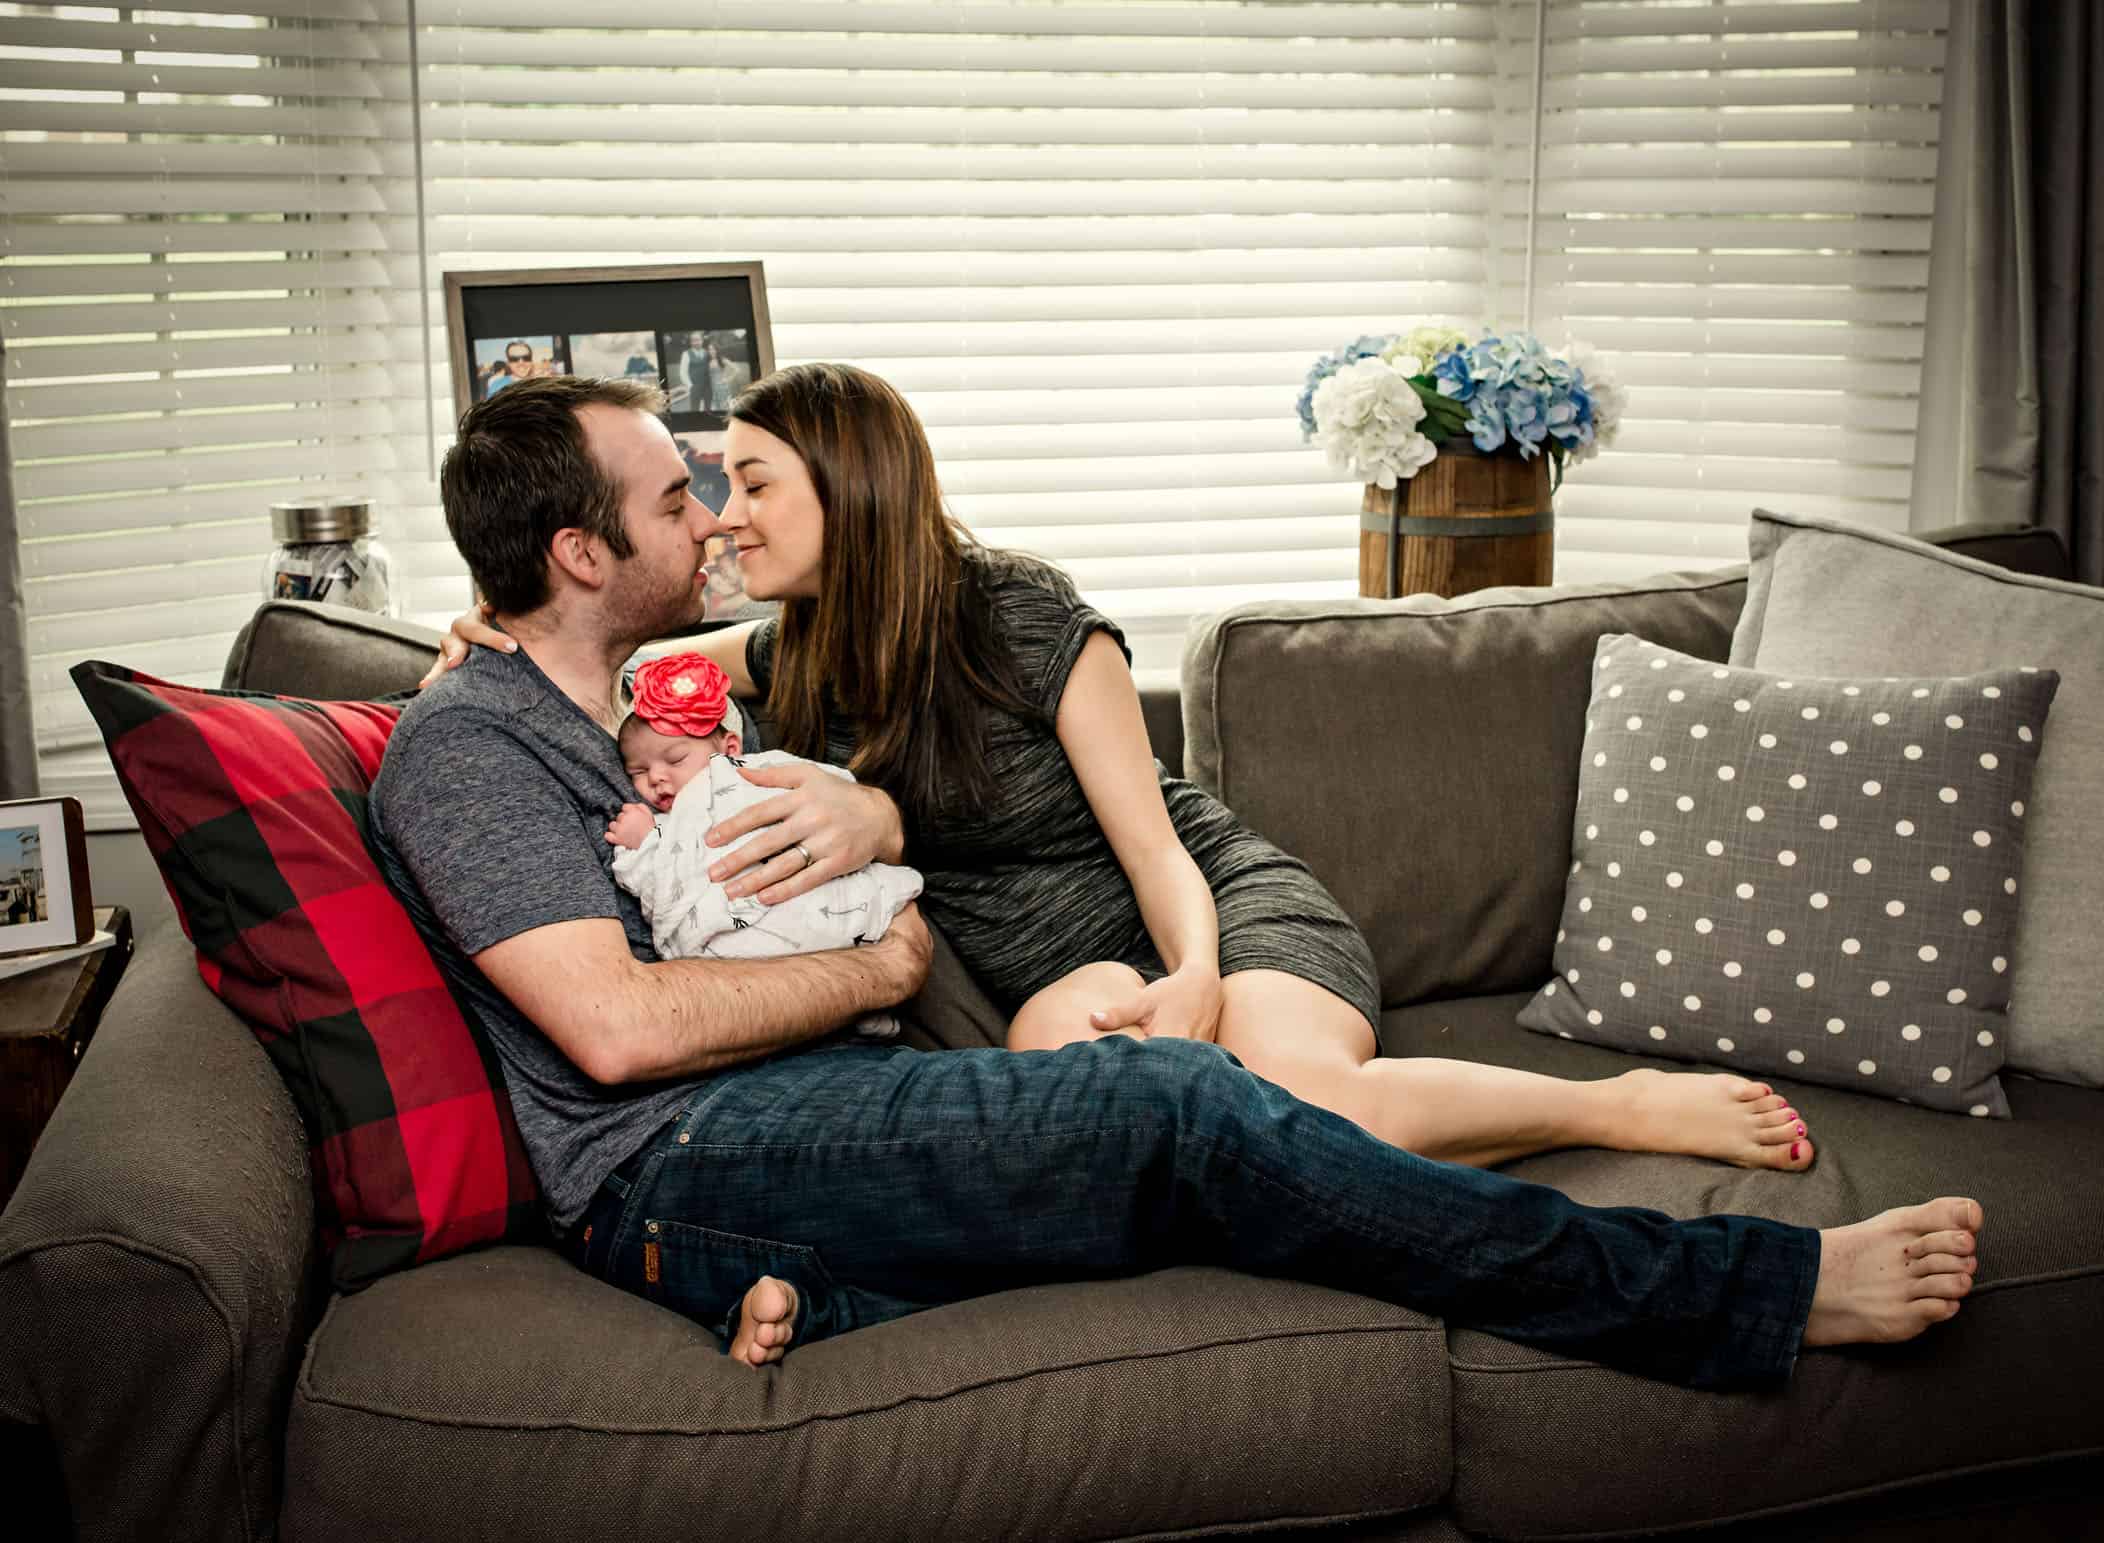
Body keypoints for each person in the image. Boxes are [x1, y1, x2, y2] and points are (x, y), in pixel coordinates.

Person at [386, 371, 1981, 1383]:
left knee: (1200, 1113)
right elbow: (610, 1033)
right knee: (1169, 1109)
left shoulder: (652, 690)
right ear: (584, 555)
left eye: (730, 486)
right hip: (688, 1139)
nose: (713, 520)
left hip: (909, 1043)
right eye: (680, 497)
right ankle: (1746, 1292)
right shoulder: (477, 739)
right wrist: (880, 968)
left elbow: (775, 799)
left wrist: (877, 852)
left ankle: (801, 1282)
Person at [437, 365, 1818, 1178]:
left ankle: (1617, 1106)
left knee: (1303, 1104)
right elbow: (614, 667)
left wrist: (1200, 974)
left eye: (750, 483)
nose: (725, 519)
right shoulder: (787, 656)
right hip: (1059, 982)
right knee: (1085, 1117)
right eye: (709, 491)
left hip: (1212, 909)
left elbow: (1162, 845)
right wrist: (473, 644)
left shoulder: (1022, 614)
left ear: (847, 489)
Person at [607, 650, 921, 1038]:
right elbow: (663, 879)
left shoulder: (755, 773)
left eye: (675, 759)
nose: (655, 778)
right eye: (637, 771)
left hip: (809, 896)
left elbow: (831, 793)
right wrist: (641, 843)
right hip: (742, 946)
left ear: (730, 749)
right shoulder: (667, 827)